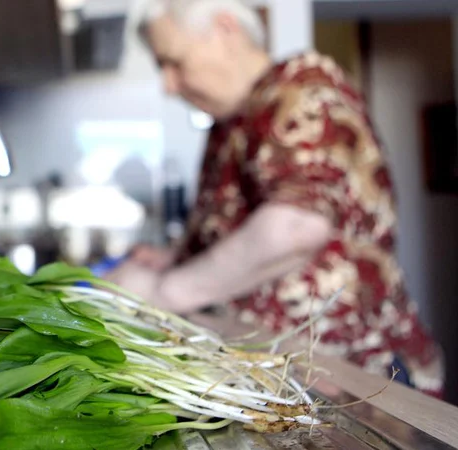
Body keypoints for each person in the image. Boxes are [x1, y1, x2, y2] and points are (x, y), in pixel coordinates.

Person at [106, 0, 444, 396]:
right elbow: (234, 235)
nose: (167, 84)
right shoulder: (229, 123)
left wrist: (165, 292)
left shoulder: (302, 87)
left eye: (174, 62)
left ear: (226, 30)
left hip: (359, 381)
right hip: (287, 379)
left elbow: (297, 226)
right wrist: (176, 256)